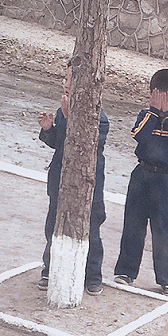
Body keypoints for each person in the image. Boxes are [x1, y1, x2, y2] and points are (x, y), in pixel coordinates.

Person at [114, 68, 168, 296]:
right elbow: (139, 135)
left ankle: (167, 280)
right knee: (133, 224)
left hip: (167, 179)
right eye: (157, 97)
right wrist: (154, 111)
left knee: (165, 230)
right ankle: (126, 272)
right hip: (142, 175)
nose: (163, 103)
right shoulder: (145, 115)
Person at [37, 59, 109, 295]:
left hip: (89, 186)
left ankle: (92, 275)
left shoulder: (100, 118)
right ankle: (50, 269)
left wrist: (69, 118)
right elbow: (62, 144)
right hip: (59, 180)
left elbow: (83, 145)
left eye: (70, 79)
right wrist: (49, 129)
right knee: (53, 226)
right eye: (65, 78)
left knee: (91, 228)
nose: (65, 84)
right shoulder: (62, 109)